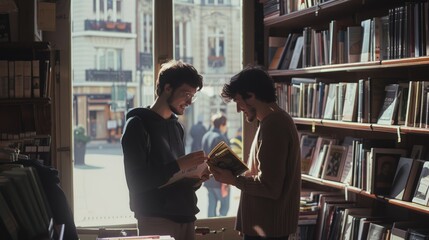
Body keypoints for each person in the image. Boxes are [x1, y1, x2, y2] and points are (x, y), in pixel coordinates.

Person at [209, 65, 301, 240]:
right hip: (266, 225)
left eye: (238, 101)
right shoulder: (271, 121)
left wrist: (233, 179)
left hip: (267, 227)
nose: (238, 109)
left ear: (251, 95)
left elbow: (270, 187)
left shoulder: (274, 125)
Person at [121, 60, 209, 240]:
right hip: (155, 218)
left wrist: (195, 179)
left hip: (186, 215)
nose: (189, 102)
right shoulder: (137, 125)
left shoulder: (178, 128)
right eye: (186, 94)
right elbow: (136, 183)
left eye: (192, 96)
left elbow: (174, 177)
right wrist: (179, 165)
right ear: (167, 88)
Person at [201, 112, 230, 217]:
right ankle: (220, 230)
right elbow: (225, 161)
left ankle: (210, 230)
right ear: (222, 124)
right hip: (220, 178)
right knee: (225, 207)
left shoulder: (206, 135)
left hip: (208, 177)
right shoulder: (220, 137)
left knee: (211, 207)